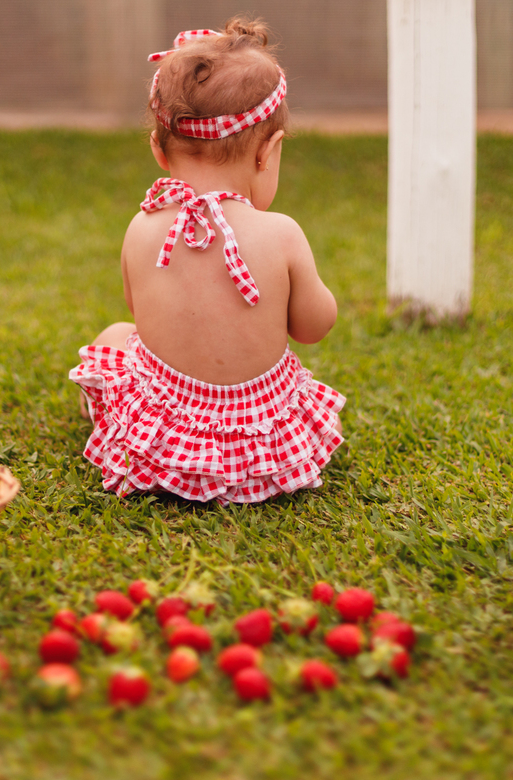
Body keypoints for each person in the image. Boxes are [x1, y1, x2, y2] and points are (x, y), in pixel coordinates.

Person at [69, 17, 345, 505]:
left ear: (158, 148)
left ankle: (154, 453)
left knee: (114, 337)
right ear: (269, 153)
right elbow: (314, 326)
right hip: (260, 445)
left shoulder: (143, 227)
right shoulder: (281, 234)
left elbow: (141, 315)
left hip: (164, 446)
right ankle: (246, 470)